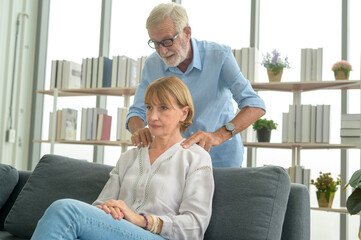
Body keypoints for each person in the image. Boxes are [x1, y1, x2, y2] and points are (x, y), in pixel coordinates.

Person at [31, 76, 214, 240]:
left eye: (163, 108)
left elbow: (194, 227)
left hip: (161, 236)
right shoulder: (130, 157)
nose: (153, 116)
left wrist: (142, 220)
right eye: (149, 107)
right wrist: (110, 209)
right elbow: (101, 205)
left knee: (65, 211)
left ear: (184, 113)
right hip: (118, 230)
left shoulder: (196, 158)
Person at [127, 3, 266, 168]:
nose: (162, 51)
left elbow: (255, 105)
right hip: (175, 159)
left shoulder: (220, 57)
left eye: (167, 41)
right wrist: (139, 130)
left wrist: (218, 136)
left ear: (187, 32)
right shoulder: (152, 64)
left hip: (221, 160)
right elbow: (137, 112)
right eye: (156, 43)